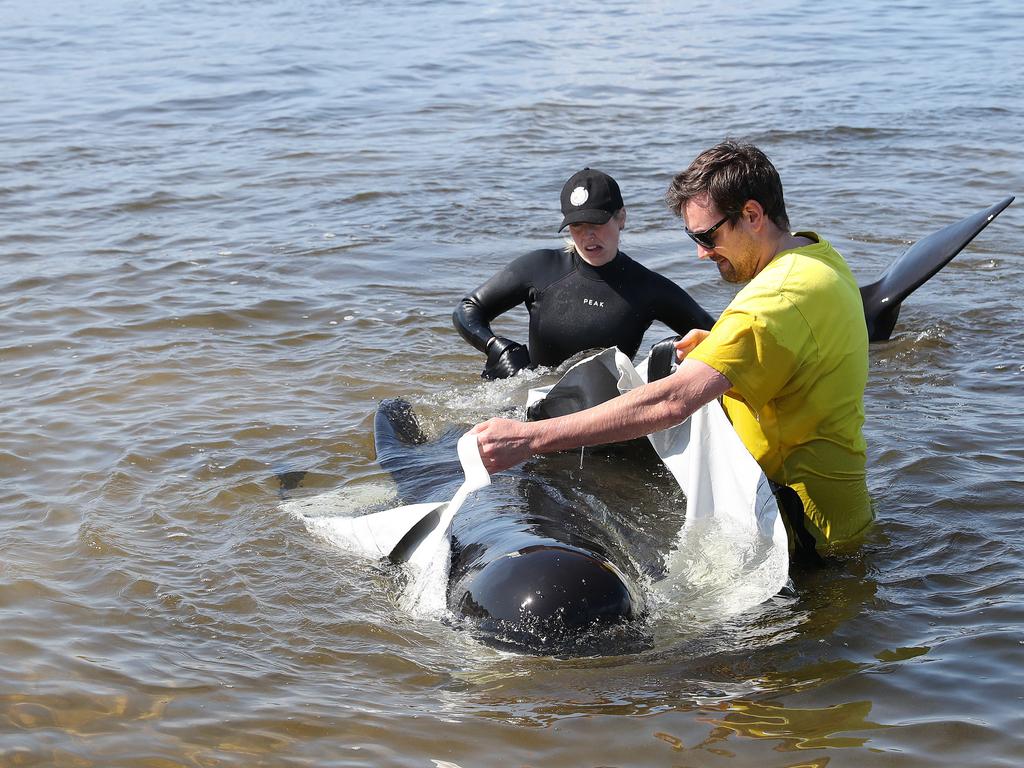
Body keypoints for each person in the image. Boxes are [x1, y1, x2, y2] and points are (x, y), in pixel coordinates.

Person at [471, 141, 873, 558]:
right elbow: (796, 361)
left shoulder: (769, 304)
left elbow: (670, 403)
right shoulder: (816, 257)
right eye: (691, 237)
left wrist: (531, 438)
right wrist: (720, 347)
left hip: (802, 532)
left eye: (707, 235)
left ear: (752, 216)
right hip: (842, 512)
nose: (700, 253)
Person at [453, 168, 714, 379]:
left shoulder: (648, 288)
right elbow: (467, 309)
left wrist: (676, 357)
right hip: (532, 400)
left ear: (621, 218)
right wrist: (495, 347)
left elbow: (717, 335)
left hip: (601, 411)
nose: (588, 236)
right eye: (577, 225)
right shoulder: (540, 268)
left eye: (597, 223)